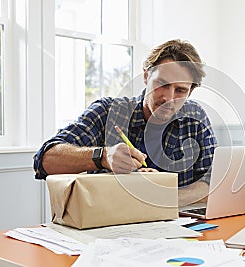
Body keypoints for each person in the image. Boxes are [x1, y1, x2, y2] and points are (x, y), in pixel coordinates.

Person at [33, 39, 218, 206]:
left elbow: (213, 182)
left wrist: (164, 195)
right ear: (146, 76)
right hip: (110, 229)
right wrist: (103, 157)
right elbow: (44, 160)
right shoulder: (107, 112)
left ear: (190, 92)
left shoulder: (195, 118)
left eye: (180, 90)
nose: (168, 98)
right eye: (162, 84)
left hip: (177, 230)